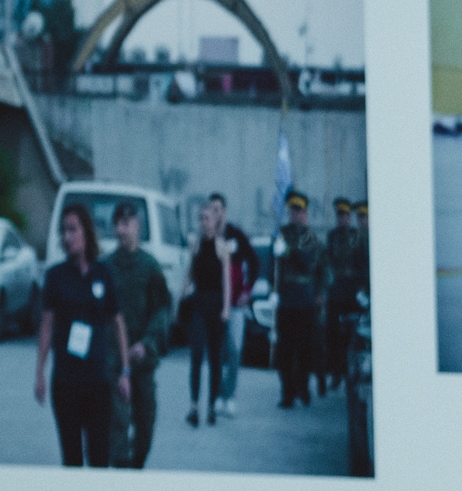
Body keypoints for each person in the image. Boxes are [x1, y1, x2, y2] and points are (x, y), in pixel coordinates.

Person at [34, 202, 130, 468]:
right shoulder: (55, 276)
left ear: (86, 232)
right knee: (72, 459)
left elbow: (118, 323)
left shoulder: (104, 273)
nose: (67, 237)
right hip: (66, 382)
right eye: (64, 231)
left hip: (98, 381)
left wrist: (125, 371)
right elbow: (46, 327)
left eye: (73, 230)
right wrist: (39, 372)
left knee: (99, 457)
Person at [103, 198, 173, 468]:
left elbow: (161, 310)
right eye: (118, 224)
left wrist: (147, 343)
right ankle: (121, 474)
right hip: (113, 359)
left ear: (137, 226)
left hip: (142, 359)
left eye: (127, 224)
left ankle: (136, 464)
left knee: (145, 426)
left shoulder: (150, 267)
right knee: (117, 423)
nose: (121, 230)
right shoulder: (106, 266)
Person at [183, 192, 255, 424]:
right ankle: (194, 406)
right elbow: (190, 273)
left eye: (208, 218)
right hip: (199, 303)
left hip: (216, 306)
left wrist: (226, 308)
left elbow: (226, 280)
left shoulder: (222, 246)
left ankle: (212, 406)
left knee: (215, 358)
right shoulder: (195, 245)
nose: (204, 222)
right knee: (196, 356)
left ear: (215, 220)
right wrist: (182, 293)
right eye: (201, 218)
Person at [268, 189, 328, 405]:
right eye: (293, 211)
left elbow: (307, 262)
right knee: (285, 349)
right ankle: (287, 393)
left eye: (300, 211)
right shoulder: (281, 234)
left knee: (304, 349)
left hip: (304, 300)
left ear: (306, 213)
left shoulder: (310, 237)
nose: (296, 215)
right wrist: (271, 289)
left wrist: (288, 251)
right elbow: (272, 266)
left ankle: (303, 387)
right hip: (286, 299)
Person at [323, 196, 367, 390]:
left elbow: (362, 264)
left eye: (346, 215)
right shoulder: (332, 236)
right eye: (340, 215)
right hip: (336, 291)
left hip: (353, 291)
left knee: (354, 334)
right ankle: (336, 373)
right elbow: (328, 262)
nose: (343, 219)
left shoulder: (357, 237)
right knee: (334, 335)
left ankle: (352, 372)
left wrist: (361, 288)